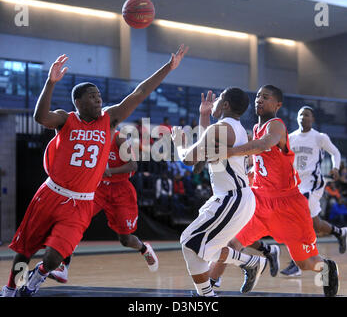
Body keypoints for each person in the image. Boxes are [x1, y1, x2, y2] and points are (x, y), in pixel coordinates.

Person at [1, 45, 188, 297]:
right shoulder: (65, 119)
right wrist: (50, 82)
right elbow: (40, 117)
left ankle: (41, 273)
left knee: (55, 257)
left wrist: (169, 66)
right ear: (78, 102)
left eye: (99, 94)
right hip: (51, 193)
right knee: (26, 249)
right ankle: (10, 288)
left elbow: (140, 92)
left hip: (81, 202)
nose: (98, 98)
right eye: (91, 95)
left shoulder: (110, 119)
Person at [209, 85, 339, 297]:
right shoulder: (255, 128)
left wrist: (230, 151)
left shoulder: (276, 126)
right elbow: (258, 162)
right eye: (258, 96)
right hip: (260, 202)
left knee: (306, 263)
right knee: (231, 242)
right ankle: (209, 287)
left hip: (289, 206)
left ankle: (326, 267)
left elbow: (264, 145)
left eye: (266, 97)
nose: (260, 99)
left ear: (277, 104)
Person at [171, 88, 267, 297]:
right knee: (204, 248)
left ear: (225, 105)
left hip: (232, 198)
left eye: (218, 99)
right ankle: (252, 263)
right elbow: (207, 145)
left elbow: (190, 158)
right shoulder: (234, 128)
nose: (213, 103)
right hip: (235, 198)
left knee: (189, 243)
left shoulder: (221, 129)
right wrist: (204, 116)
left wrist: (179, 143)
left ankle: (208, 296)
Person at [47, 129, 159, 284]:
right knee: (74, 221)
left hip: (121, 189)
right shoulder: (91, 136)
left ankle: (143, 249)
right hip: (97, 188)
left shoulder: (118, 138)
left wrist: (108, 172)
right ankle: (63, 267)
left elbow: (133, 166)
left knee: (125, 239)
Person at [280, 106, 346, 277]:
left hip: (312, 183)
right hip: (296, 184)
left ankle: (297, 263)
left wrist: (336, 168)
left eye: (307, 114)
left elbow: (335, 152)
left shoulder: (319, 137)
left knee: (297, 220)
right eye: (300, 114)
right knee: (315, 223)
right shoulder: (291, 137)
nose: (303, 117)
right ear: (297, 118)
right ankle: (340, 232)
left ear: (313, 119)